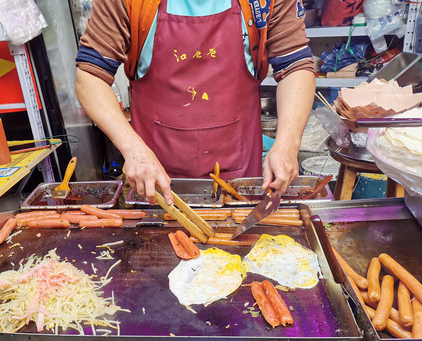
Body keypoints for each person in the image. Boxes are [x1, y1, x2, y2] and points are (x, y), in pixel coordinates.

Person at [75, 0, 315, 205]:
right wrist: (132, 150)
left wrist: (288, 145)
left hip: (239, 175)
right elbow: (90, 76)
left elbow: (295, 66)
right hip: (153, 178)